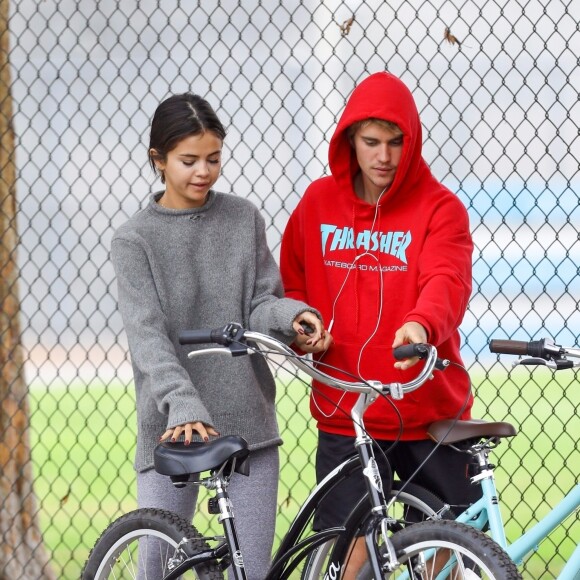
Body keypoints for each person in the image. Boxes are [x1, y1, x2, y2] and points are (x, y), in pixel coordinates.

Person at [110, 92, 331, 579]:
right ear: (159, 160)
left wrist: (292, 317)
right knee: (157, 565)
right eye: (189, 161)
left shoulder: (242, 217)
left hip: (245, 419)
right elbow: (148, 339)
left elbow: (259, 302)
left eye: (213, 159)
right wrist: (182, 404)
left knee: (250, 570)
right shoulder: (134, 240)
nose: (203, 172)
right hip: (173, 424)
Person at [280, 71, 479, 574]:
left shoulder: (441, 208)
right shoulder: (316, 205)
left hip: (427, 412)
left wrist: (420, 326)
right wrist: (304, 326)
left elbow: (447, 280)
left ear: (410, 142)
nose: (384, 157)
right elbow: (292, 286)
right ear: (350, 138)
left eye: (395, 143)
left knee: (444, 549)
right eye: (371, 142)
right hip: (348, 411)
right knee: (352, 554)